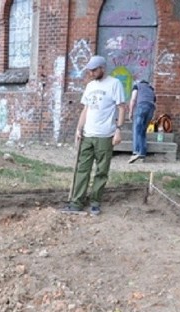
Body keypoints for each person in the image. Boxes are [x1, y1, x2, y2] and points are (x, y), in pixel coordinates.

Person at [62, 55, 126, 215]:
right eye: (90, 70)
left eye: (94, 70)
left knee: (101, 171)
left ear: (102, 68)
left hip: (105, 136)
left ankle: (95, 202)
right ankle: (76, 202)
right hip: (88, 135)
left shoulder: (115, 84)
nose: (91, 73)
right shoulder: (90, 86)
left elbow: (122, 107)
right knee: (82, 169)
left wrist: (118, 129)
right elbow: (86, 109)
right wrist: (78, 129)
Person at [128, 80, 156, 163]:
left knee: (137, 129)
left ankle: (136, 152)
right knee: (143, 131)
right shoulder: (151, 89)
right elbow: (154, 102)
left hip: (141, 106)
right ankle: (142, 153)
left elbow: (133, 99)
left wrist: (130, 112)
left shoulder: (137, 86)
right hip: (151, 109)